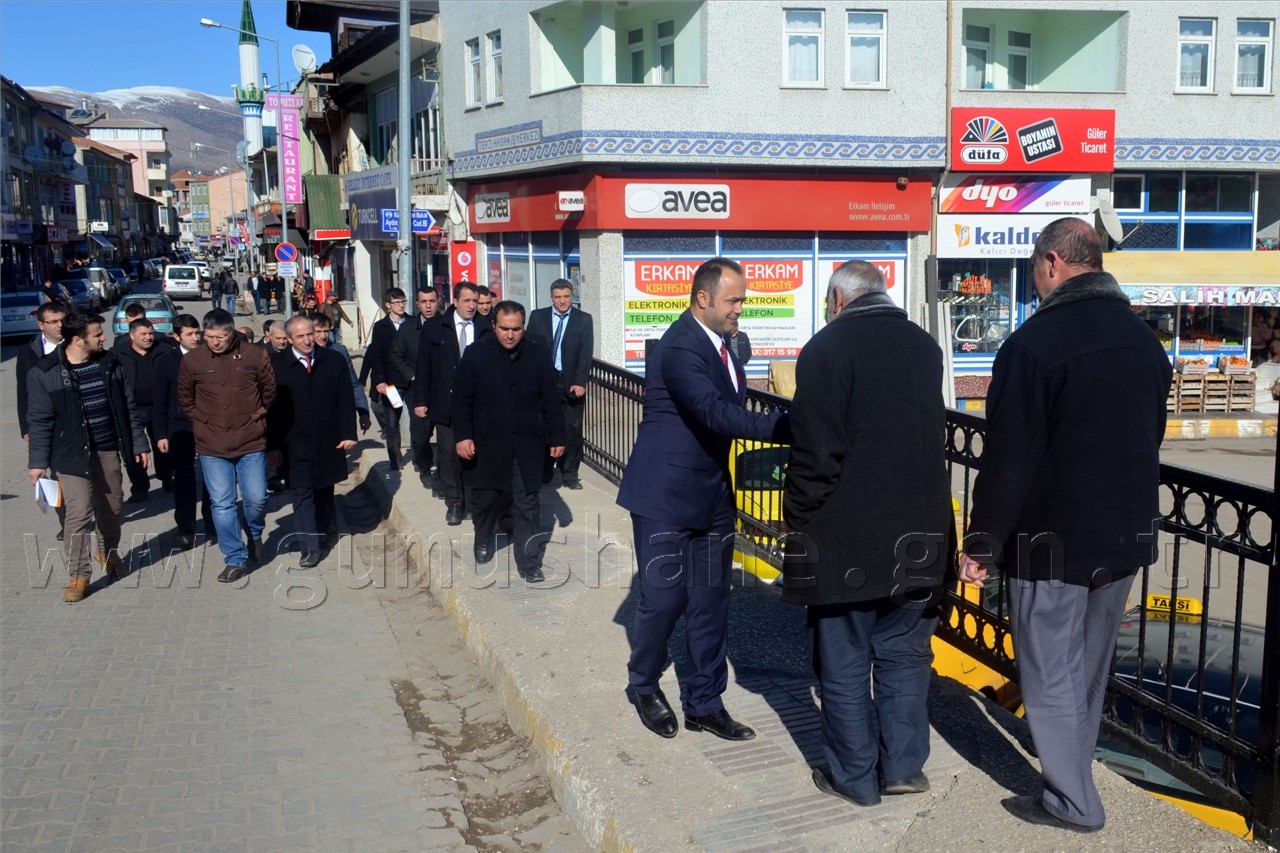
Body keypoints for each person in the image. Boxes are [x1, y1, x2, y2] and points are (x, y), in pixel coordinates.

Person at [957, 219, 1173, 833]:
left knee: (1050, 667)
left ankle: (1073, 803)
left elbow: (1009, 460)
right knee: (1088, 667)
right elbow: (1150, 435)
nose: (1034, 279)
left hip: (1051, 537)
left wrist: (981, 544)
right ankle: (1074, 772)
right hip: (1125, 532)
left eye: (1033, 267)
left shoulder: (1033, 344)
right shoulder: (1144, 340)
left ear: (1053, 262)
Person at [781, 260, 951, 807]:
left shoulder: (827, 349)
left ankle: (853, 778)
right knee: (905, 654)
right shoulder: (925, 347)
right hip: (921, 535)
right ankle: (903, 768)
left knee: (845, 659)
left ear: (837, 300)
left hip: (847, 538)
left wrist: (797, 516)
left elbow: (816, 454)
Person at [616, 257, 790, 741]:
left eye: (743, 300)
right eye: (733, 300)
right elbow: (714, 412)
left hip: (712, 496)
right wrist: (788, 427)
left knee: (711, 602)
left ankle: (705, 704)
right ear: (703, 299)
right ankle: (643, 683)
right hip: (665, 496)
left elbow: (728, 400)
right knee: (664, 599)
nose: (740, 309)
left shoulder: (725, 343)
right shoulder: (679, 347)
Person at [26, 313, 149, 602]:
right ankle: (79, 576)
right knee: (78, 513)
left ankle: (107, 552)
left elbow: (127, 407)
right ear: (78, 340)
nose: (104, 338)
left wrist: (139, 443)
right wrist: (37, 463)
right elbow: (40, 421)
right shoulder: (44, 372)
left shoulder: (110, 364)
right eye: (97, 334)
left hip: (106, 449)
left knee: (112, 508)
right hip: (69, 455)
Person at [453, 301, 566, 580]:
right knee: (486, 498)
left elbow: (550, 400)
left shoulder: (538, 354)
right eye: (504, 328)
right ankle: (483, 536)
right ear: (494, 326)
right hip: (487, 442)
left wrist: (557, 436)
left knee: (527, 501)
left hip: (527, 442)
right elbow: (462, 400)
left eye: (516, 329)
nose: (510, 335)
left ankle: (529, 562)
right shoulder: (476, 354)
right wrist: (463, 436)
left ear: (523, 328)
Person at [177, 308, 277, 583]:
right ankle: (235, 558)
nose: (214, 342)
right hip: (212, 445)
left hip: (250, 441)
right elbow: (185, 398)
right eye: (209, 337)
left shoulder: (254, 355)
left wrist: (257, 415)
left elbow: (269, 391)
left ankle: (254, 531)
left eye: (220, 337)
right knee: (222, 504)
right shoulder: (193, 360)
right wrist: (204, 421)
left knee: (257, 498)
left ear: (232, 333)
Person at [267, 316, 357, 567]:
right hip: (293, 443)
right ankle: (310, 547)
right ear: (289, 339)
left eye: (310, 334)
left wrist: (349, 433)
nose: (308, 340)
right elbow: (270, 410)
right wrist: (271, 446)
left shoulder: (333, 360)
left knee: (324, 489)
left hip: (328, 439)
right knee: (301, 492)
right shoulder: (275, 365)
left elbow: (345, 398)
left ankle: (327, 530)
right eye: (300, 336)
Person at [412, 281, 492, 525]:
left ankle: (471, 499)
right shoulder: (436, 327)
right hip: (445, 403)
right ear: (454, 302)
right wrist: (421, 400)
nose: (472, 306)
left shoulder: (485, 327)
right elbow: (424, 366)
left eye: (475, 301)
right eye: (467, 301)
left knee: (472, 453)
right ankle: (454, 501)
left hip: (476, 405)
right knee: (448, 454)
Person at [152, 314, 215, 549]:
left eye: (197, 332)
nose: (196, 338)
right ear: (176, 336)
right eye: (189, 334)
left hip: (210, 425)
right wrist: (161, 433)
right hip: (181, 427)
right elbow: (160, 400)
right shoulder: (167, 362)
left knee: (212, 476)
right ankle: (186, 527)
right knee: (185, 478)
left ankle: (213, 522)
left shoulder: (212, 356)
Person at [527, 280, 593, 490]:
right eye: (558, 297)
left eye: (566, 296)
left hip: (570, 382)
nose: (562, 301)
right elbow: (529, 346)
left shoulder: (583, 319)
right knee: (544, 426)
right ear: (552, 298)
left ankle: (569, 473)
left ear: (572, 297)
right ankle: (545, 469)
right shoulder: (538, 317)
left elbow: (586, 352)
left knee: (571, 429)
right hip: (545, 380)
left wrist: (580, 381)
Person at [116, 318, 172, 501]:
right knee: (133, 448)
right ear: (132, 336)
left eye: (151, 333)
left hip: (159, 408)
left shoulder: (164, 350)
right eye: (144, 334)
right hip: (132, 409)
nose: (148, 337)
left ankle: (167, 478)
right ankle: (140, 487)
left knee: (163, 446)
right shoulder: (118, 354)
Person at [390, 287, 440, 489]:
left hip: (443, 388)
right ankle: (424, 466)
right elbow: (396, 355)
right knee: (421, 433)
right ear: (417, 304)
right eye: (424, 302)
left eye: (432, 301)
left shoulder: (446, 325)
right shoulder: (408, 328)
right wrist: (411, 375)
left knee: (446, 435)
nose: (428, 306)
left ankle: (444, 472)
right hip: (417, 390)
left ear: (438, 302)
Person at [363, 287, 409, 471]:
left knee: (420, 422)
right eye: (396, 302)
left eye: (403, 301)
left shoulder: (412, 322)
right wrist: (380, 379)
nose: (401, 305)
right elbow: (376, 355)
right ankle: (395, 458)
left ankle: (421, 458)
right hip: (392, 383)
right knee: (392, 422)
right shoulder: (380, 327)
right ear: (388, 305)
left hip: (411, 380)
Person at [312, 311, 371, 435]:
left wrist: (363, 413)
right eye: (318, 331)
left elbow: (354, 385)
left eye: (326, 331)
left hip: (336, 417)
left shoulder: (339, 351)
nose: (322, 336)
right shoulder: (301, 354)